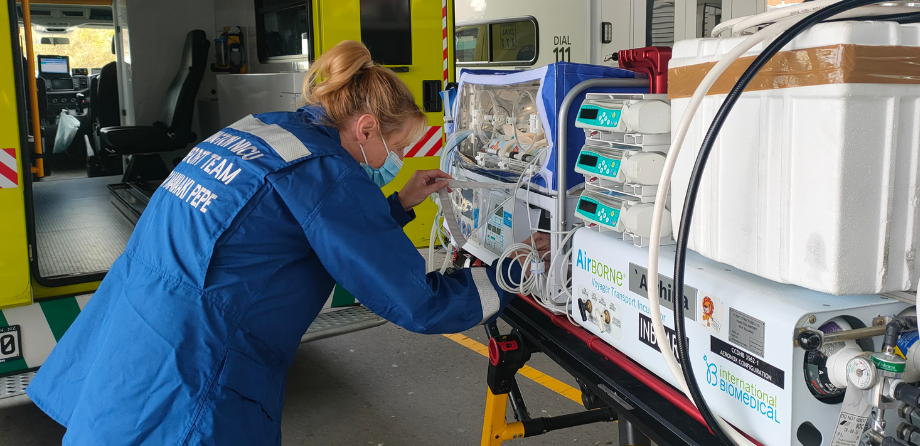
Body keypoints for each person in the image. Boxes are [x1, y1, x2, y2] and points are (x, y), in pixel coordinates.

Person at [26, 40, 549, 445]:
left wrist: (398, 204)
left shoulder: (262, 131)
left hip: (133, 327)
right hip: (194, 364)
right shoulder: (329, 173)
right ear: (365, 128)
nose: (398, 159)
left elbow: (286, 230)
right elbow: (418, 303)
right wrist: (509, 272)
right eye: (396, 146)